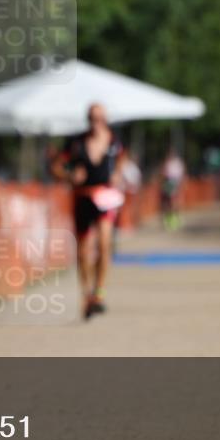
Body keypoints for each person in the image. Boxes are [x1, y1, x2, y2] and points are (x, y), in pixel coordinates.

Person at [51, 103, 126, 319]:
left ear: (106, 119)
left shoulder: (114, 141)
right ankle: (86, 294)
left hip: (105, 199)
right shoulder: (76, 143)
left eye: (100, 118)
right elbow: (56, 166)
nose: (96, 122)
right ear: (88, 119)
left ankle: (99, 293)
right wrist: (70, 175)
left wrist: (118, 174)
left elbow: (122, 159)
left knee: (104, 244)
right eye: (92, 118)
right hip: (83, 197)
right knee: (83, 251)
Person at [160, 149, 185, 231]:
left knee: (174, 201)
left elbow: (181, 174)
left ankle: (174, 219)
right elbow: (163, 173)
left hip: (175, 182)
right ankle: (168, 219)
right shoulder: (167, 163)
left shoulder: (177, 163)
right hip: (168, 182)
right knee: (168, 202)